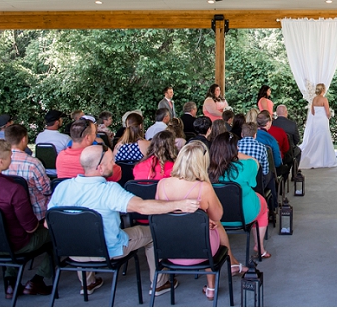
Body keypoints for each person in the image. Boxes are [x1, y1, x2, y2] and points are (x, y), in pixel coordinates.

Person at [48, 145, 200, 297]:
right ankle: (160, 283)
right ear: (100, 167)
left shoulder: (62, 187)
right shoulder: (109, 190)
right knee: (154, 234)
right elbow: (142, 207)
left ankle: (88, 283)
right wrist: (179, 204)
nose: (115, 165)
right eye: (112, 161)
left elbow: (48, 223)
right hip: (107, 250)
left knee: (79, 234)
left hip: (72, 252)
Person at [156, 140, 245, 299]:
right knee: (215, 224)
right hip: (202, 253)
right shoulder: (203, 187)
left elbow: (160, 214)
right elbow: (218, 215)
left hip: (169, 251)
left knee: (205, 225)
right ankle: (212, 286)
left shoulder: (162, 184)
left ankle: (231, 265)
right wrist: (203, 220)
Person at [0, 140, 53, 298]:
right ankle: (37, 280)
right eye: (9, 158)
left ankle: (11, 283)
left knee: (7, 235)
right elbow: (30, 228)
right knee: (56, 235)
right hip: (16, 245)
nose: (11, 160)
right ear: (1, 162)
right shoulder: (13, 189)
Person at [208, 133, 270, 262]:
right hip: (244, 215)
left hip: (215, 218)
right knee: (263, 203)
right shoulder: (245, 166)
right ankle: (260, 246)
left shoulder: (207, 170)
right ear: (234, 149)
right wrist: (237, 155)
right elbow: (256, 162)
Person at [2, 124, 51, 220]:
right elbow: (46, 189)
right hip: (36, 213)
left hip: (9, 211)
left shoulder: (0, 162)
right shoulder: (33, 163)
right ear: (24, 139)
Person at [56, 118, 122, 182]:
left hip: (68, 192)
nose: (96, 136)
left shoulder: (60, 155)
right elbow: (116, 175)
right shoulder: (95, 156)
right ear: (88, 137)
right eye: (94, 133)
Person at [299, 84, 337, 169]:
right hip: (322, 120)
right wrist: (329, 116)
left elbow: (312, 112)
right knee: (323, 136)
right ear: (323, 90)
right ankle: (323, 158)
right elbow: (327, 112)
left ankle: (314, 155)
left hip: (316, 120)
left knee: (316, 136)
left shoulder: (314, 99)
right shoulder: (324, 99)